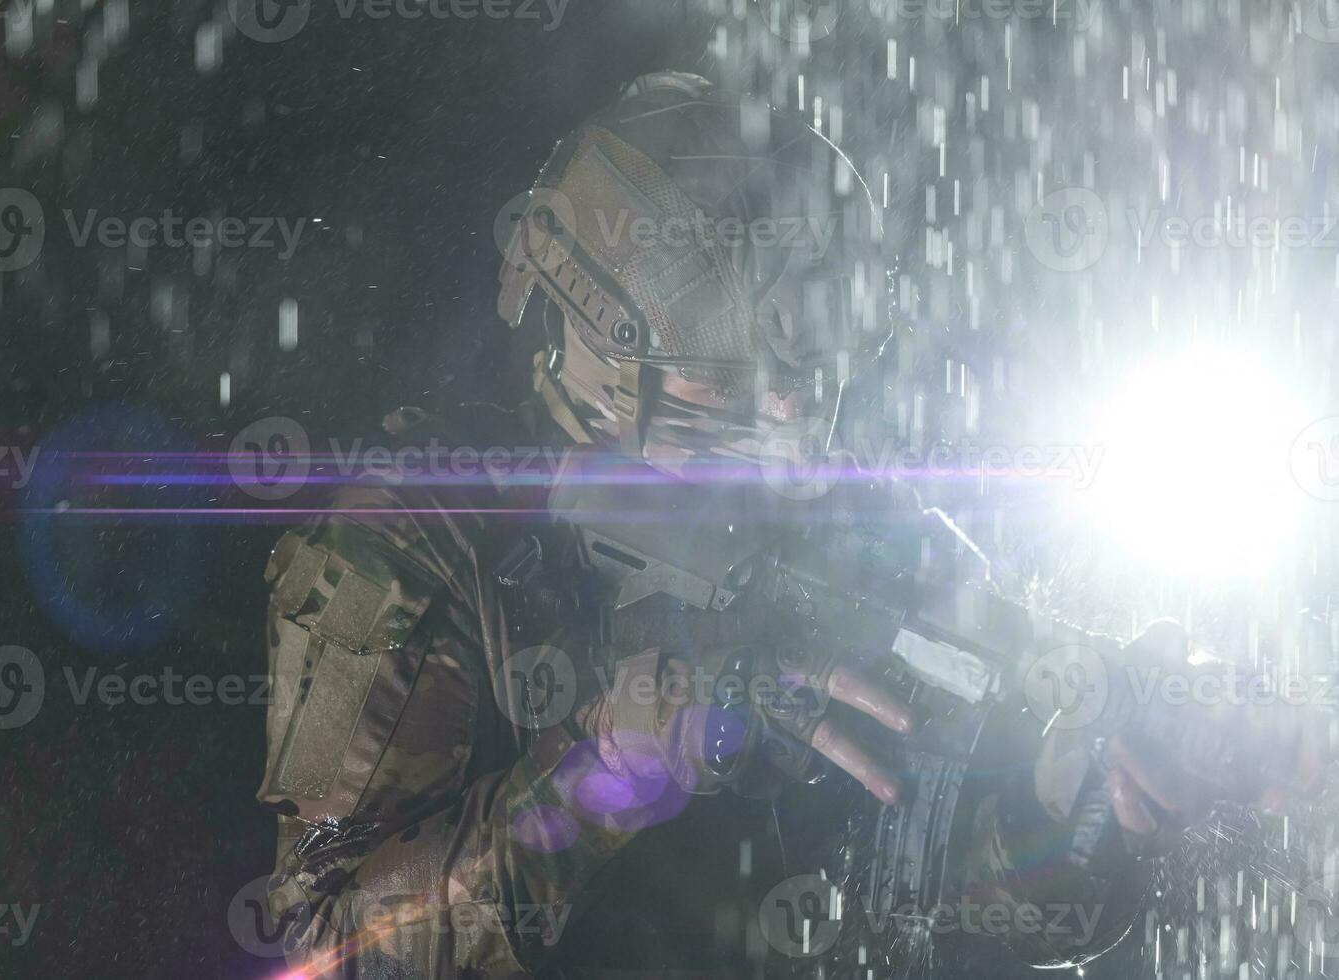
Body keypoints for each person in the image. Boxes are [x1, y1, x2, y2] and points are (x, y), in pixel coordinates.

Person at [254, 72, 1323, 978]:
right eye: (735, 389)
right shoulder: (412, 538)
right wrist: (609, 771)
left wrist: (1071, 801)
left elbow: (910, 883)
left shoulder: (834, 526)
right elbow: (325, 943)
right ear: (597, 349)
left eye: (802, 382)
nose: (788, 423)